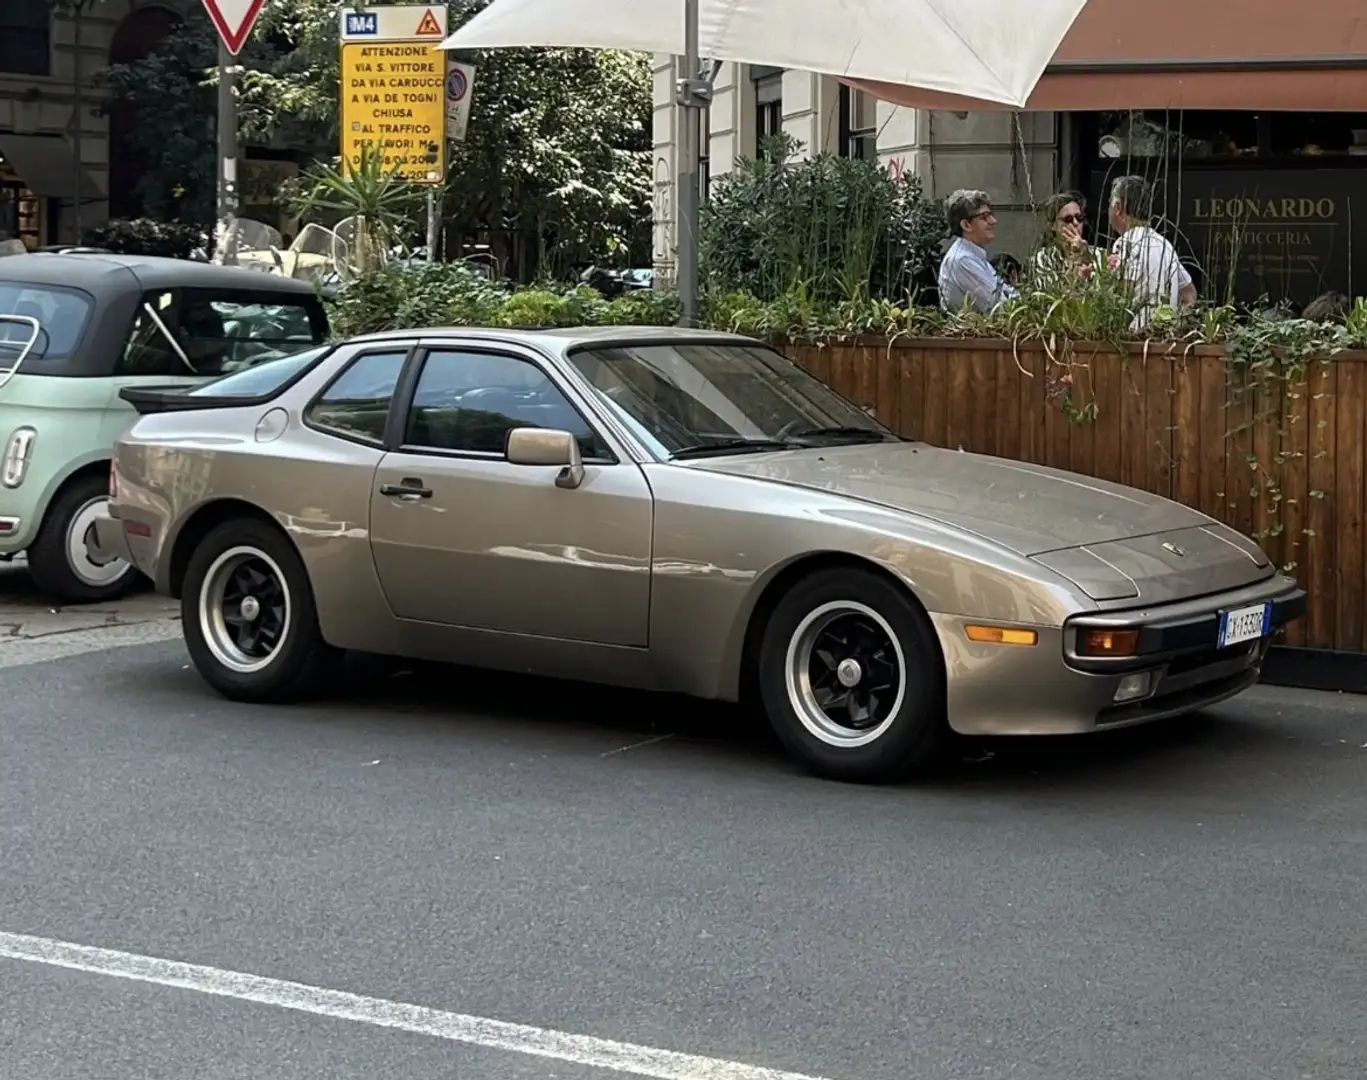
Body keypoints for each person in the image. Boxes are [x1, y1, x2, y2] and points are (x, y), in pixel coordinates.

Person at [1107, 175, 1197, 330]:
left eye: (1110, 204)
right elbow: (1190, 295)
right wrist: (1172, 326)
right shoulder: (1165, 245)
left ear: (1118, 208)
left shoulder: (1126, 243)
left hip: (1134, 341)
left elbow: (1121, 294)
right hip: (1161, 342)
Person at [938, 189, 1018, 314]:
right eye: (984, 217)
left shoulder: (973, 254)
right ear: (966, 225)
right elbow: (1000, 307)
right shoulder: (962, 260)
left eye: (991, 215)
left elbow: (1007, 292)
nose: (993, 221)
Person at [1032, 191, 1102, 284]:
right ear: (1053, 226)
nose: (1076, 223)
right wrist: (1075, 258)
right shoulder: (1043, 258)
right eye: (1068, 219)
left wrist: (1085, 255)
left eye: (1079, 217)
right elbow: (1050, 290)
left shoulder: (1098, 255)